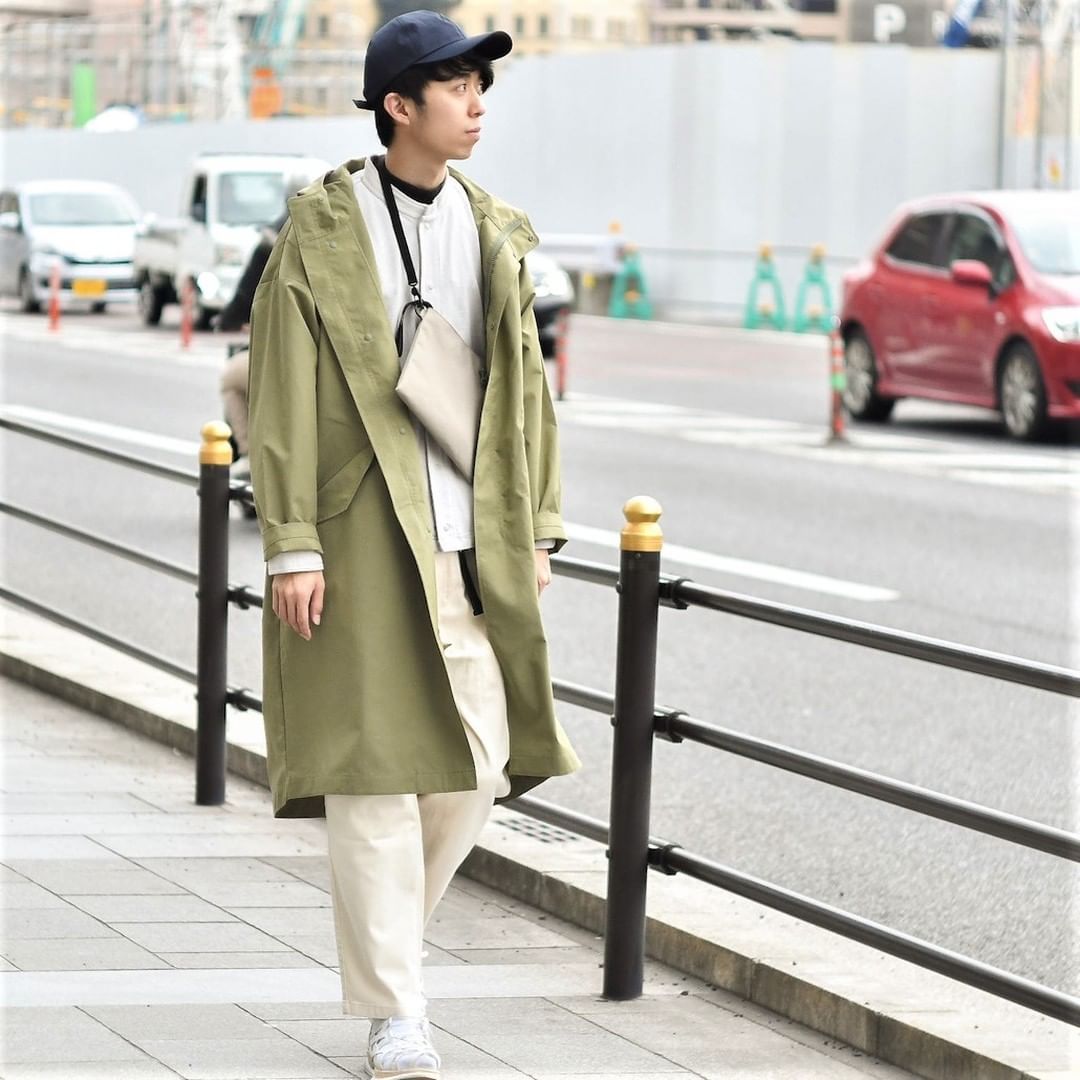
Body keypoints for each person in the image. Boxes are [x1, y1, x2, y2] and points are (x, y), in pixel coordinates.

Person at [246, 11, 580, 1080]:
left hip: (473, 545)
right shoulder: (323, 228)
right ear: (399, 105)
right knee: (373, 779)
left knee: (475, 766)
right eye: (457, 88)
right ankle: (397, 1010)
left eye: (482, 88)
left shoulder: (492, 229)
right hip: (362, 539)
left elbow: (528, 393)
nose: (477, 106)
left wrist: (536, 523)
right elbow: (281, 390)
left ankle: (388, 953)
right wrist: (293, 543)